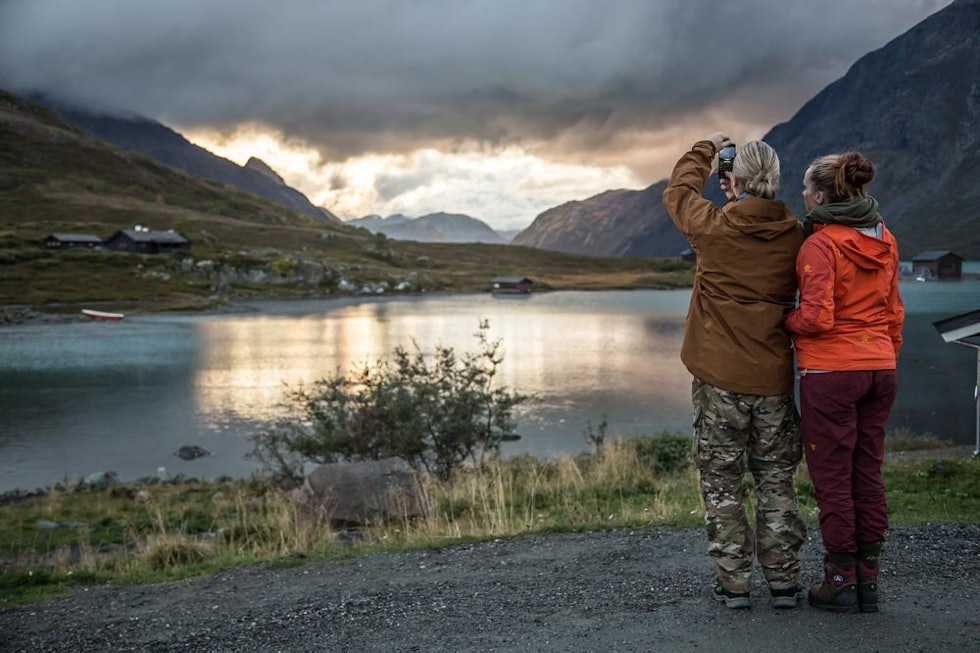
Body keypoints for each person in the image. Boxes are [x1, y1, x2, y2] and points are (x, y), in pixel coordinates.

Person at [662, 134, 807, 609]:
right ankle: (784, 583)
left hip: (718, 381)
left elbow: (678, 192)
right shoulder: (797, 235)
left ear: (735, 179)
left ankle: (735, 584)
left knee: (722, 483)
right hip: (772, 381)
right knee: (776, 481)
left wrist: (706, 149)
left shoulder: (713, 227)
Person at [785, 151, 905, 614]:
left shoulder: (821, 244)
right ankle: (868, 580)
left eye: (805, 189)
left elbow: (815, 318)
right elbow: (894, 312)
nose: (801, 196)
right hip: (880, 368)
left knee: (832, 477)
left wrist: (785, 321)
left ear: (819, 195)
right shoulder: (886, 237)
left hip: (831, 373)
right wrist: (881, 353)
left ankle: (839, 580)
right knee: (867, 472)